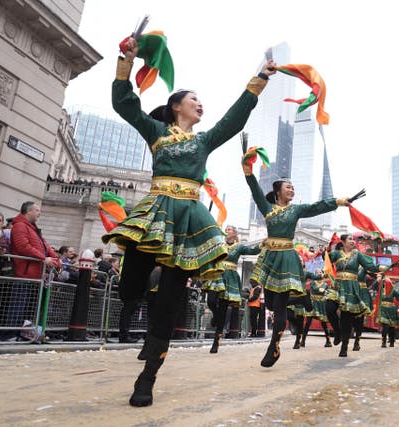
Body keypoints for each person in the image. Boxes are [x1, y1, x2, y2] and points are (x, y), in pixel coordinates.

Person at [102, 36, 276, 407]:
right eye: (194, 99)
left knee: (170, 300)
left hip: (189, 220)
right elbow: (124, 103)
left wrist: (259, 78)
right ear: (176, 106)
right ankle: (141, 295)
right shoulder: (158, 133)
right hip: (154, 213)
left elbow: (234, 118)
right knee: (129, 288)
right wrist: (126, 62)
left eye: (201, 101)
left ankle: (147, 376)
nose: (200, 104)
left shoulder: (204, 141)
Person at [242, 162, 350, 367]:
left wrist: (338, 201)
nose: (292, 190)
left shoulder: (295, 210)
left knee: (280, 306)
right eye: (288, 187)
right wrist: (248, 171)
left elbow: (315, 207)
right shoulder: (268, 209)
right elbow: (255, 189)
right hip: (270, 257)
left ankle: (274, 347)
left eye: (293, 187)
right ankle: (300, 299)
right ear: (277, 191)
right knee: (272, 303)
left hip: (286, 258)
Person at [3, 202, 59, 341]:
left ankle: (21, 334)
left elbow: (45, 246)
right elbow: (23, 247)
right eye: (37, 210)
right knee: (17, 306)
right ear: (28, 211)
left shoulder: (34, 229)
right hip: (24, 274)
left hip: (35, 275)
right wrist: (44, 258)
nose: (39, 213)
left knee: (28, 308)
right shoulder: (20, 226)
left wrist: (56, 259)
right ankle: (9, 334)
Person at [202, 225, 260, 353]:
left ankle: (216, 341)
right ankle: (215, 317)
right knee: (211, 301)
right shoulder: (218, 243)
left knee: (223, 308)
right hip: (217, 274)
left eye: (229, 229)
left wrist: (264, 244)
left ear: (234, 234)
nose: (226, 231)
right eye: (226, 229)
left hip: (231, 276)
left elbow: (253, 251)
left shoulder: (239, 247)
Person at [330, 234, 386, 357]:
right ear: (343, 242)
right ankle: (337, 332)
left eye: (353, 239)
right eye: (350, 239)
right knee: (329, 307)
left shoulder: (358, 255)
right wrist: (327, 249)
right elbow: (328, 259)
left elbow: (370, 266)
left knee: (346, 318)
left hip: (351, 288)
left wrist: (383, 268)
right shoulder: (337, 253)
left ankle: (344, 347)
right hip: (338, 285)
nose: (353, 241)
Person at [375, 277, 399, 348]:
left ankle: (392, 342)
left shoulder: (393, 290)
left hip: (391, 310)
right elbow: (375, 290)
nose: (384, 284)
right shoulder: (381, 290)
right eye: (383, 282)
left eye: (385, 282)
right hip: (383, 309)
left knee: (391, 327)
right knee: (385, 326)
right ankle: (384, 342)